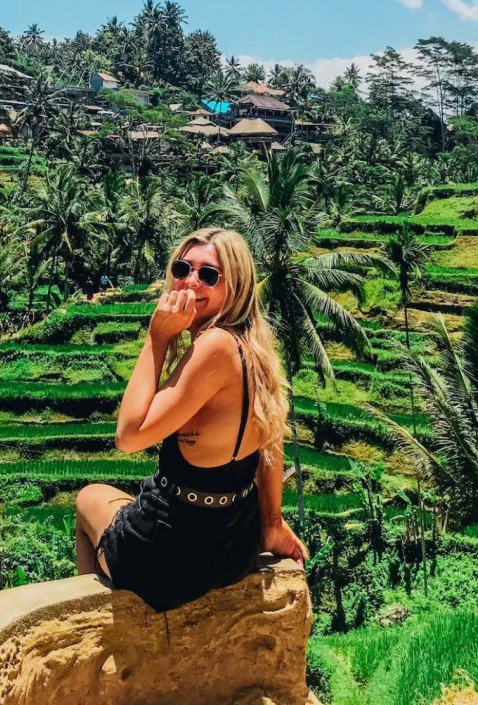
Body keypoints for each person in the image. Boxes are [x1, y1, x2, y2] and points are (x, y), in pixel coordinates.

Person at [74, 227, 308, 614]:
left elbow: (129, 437)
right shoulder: (253, 346)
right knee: (123, 499)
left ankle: (96, 623)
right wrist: (271, 523)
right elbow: (272, 436)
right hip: (234, 547)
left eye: (209, 275)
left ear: (236, 286)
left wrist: (157, 337)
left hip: (170, 558)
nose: (191, 281)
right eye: (183, 269)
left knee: (87, 498)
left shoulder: (214, 346)